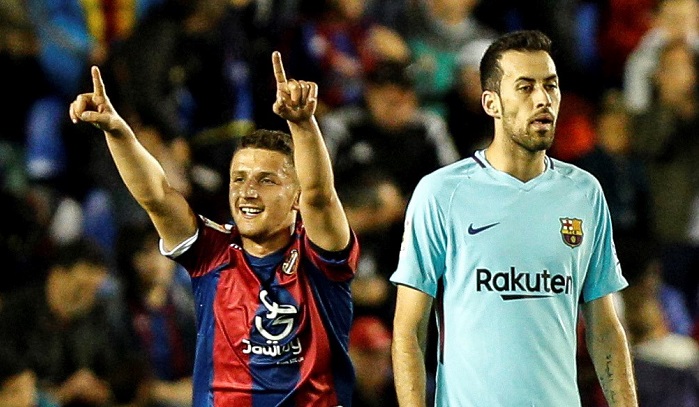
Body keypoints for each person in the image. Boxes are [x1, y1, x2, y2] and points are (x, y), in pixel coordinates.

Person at [69, 51, 359, 406]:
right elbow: (157, 196)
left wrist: (302, 124)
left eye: (266, 180)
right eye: (239, 178)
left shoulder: (319, 258)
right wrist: (116, 130)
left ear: (295, 197)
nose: (248, 191)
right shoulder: (212, 252)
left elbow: (320, 196)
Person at [390, 30, 637, 406]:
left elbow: (604, 328)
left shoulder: (583, 193)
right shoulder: (441, 193)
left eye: (550, 86)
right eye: (525, 87)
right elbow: (409, 329)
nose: (543, 100)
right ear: (491, 103)